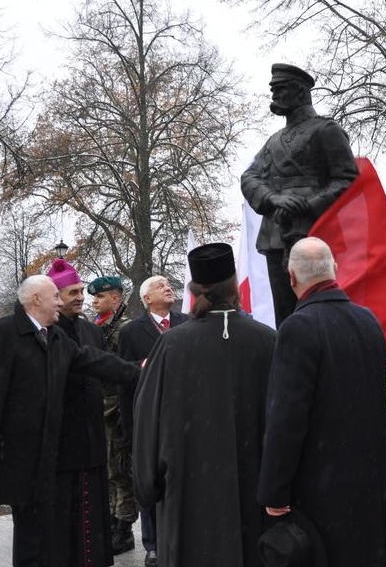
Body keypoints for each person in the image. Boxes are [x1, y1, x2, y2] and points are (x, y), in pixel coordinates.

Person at [0, 275, 140, 567]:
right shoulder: (2, 332)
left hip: (34, 456)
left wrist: (138, 371)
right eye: (55, 296)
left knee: (31, 530)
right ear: (36, 299)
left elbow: (92, 360)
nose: (59, 302)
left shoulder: (55, 337)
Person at [132, 243, 276, 567]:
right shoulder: (266, 340)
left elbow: (146, 423)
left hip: (188, 500)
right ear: (234, 286)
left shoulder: (171, 345)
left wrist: (147, 487)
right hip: (254, 499)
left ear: (195, 290)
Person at [258, 236, 386, 567]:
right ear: (335, 268)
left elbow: (287, 419)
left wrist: (274, 491)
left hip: (320, 489)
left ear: (291, 278)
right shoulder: (369, 321)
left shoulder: (298, 328)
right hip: (369, 482)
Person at [241, 63, 359, 327]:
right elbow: (249, 177)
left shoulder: (325, 130)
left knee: (319, 309)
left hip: (314, 230)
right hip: (276, 234)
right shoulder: (273, 141)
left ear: (301, 92)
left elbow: (347, 177)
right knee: (286, 316)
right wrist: (273, 199)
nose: (274, 96)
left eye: (280, 89)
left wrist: (309, 205)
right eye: (273, 90)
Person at [47, 259, 114, 567]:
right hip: (61, 440)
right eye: (72, 291)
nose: (80, 297)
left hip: (92, 434)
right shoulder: (47, 331)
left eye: (80, 290)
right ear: (55, 295)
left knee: (94, 517)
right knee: (63, 517)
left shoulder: (92, 330)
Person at [118, 275, 188, 567]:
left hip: (186, 419)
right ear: (146, 298)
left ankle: (182, 537)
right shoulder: (132, 332)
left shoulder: (188, 323)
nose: (168, 287)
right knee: (149, 480)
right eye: (160, 286)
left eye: (168, 284)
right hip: (150, 419)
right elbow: (124, 382)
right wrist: (129, 428)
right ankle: (152, 544)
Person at [87, 274, 135, 556]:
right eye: (93, 297)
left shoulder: (122, 330)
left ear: (115, 299)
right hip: (100, 405)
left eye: (100, 297)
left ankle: (123, 528)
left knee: (118, 470)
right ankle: (110, 522)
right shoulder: (98, 326)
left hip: (115, 408)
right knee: (105, 469)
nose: (94, 301)